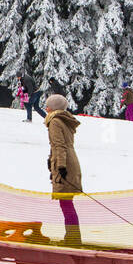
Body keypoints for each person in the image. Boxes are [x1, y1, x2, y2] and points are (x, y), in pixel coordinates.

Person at [44, 93, 83, 246]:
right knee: (67, 202)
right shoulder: (63, 120)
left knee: (65, 203)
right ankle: (72, 236)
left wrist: (60, 166)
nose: (45, 108)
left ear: (53, 108)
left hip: (66, 163)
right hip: (71, 161)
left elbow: (59, 146)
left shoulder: (55, 122)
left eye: (48, 105)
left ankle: (73, 238)